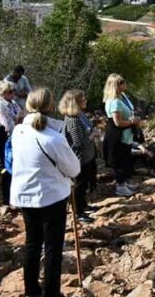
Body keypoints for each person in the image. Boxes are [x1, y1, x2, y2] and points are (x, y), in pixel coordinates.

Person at [10, 88, 80, 297]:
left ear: (29, 105)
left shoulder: (18, 131)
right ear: (51, 107)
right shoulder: (54, 138)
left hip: (25, 195)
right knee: (52, 248)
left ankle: (31, 291)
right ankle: (51, 293)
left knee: (32, 244)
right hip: (52, 196)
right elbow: (74, 169)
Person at [59, 90, 97, 223]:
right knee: (79, 184)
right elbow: (78, 142)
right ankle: (78, 212)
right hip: (79, 158)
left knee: (85, 182)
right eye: (83, 100)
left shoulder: (80, 115)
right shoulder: (72, 120)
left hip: (88, 156)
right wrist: (93, 135)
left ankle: (84, 205)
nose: (86, 101)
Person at [102, 74, 140, 197]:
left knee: (125, 158)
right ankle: (120, 186)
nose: (125, 84)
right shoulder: (115, 102)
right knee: (120, 161)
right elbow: (117, 122)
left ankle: (123, 183)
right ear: (115, 85)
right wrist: (132, 122)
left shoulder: (122, 97)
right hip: (118, 136)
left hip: (126, 134)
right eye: (121, 82)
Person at [0, 80, 22, 205]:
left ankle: (15, 195)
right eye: (9, 92)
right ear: (2, 93)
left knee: (16, 166)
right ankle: (6, 198)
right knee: (7, 168)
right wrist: (17, 120)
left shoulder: (13, 103)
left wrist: (17, 119)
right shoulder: (0, 106)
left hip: (15, 137)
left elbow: (21, 114)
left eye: (13, 91)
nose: (12, 94)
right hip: (3, 139)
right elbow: (7, 125)